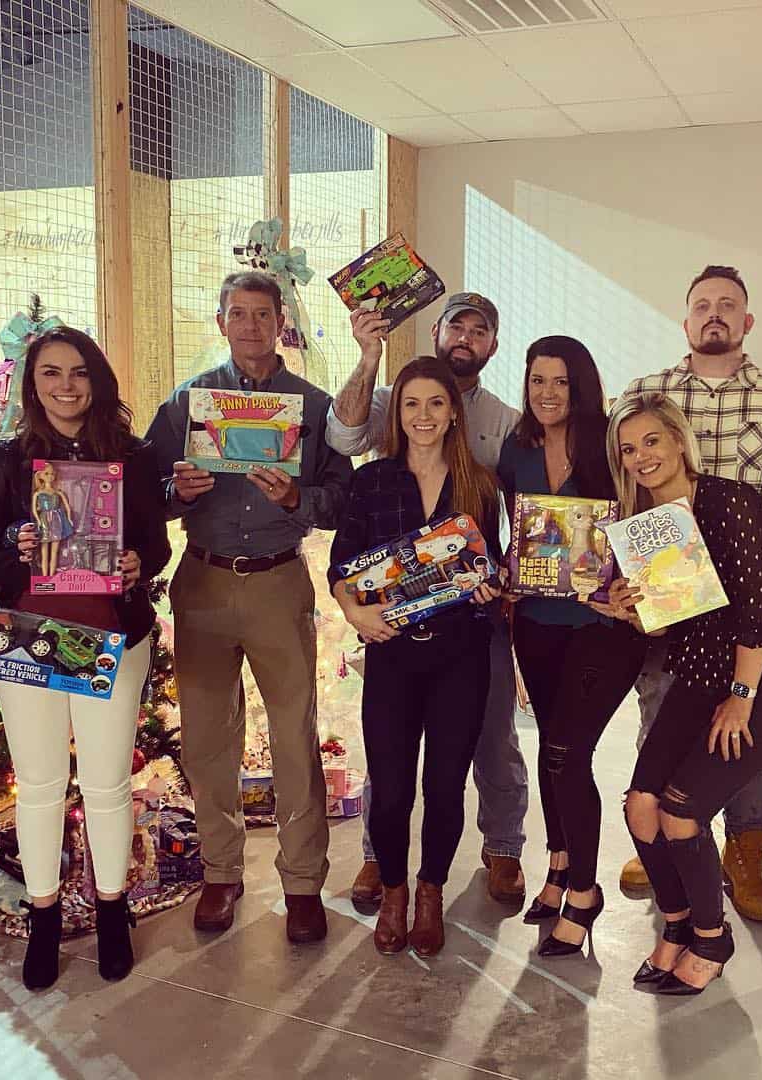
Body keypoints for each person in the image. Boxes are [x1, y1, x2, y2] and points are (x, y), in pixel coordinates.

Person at [618, 265, 762, 921]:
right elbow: (623, 497)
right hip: (673, 608)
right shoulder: (647, 394)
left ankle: (744, 852)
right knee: (661, 715)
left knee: (742, 736)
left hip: (750, 612)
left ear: (747, 321)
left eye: (728, 305)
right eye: (702, 305)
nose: (714, 314)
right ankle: (668, 832)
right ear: (685, 321)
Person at [145, 271, 352, 944]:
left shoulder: (314, 406)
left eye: (263, 314)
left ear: (282, 321)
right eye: (239, 313)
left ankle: (301, 884)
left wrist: (298, 502)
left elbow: (340, 497)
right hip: (201, 582)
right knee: (208, 740)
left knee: (294, 737)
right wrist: (179, 493)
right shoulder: (187, 402)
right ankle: (221, 873)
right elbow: (149, 491)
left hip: (276, 582)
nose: (252, 325)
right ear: (221, 320)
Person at [0, 326, 172, 990]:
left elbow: (154, 547)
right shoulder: (6, 459)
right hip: (31, 637)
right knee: (42, 784)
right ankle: (46, 919)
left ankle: (112, 911)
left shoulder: (134, 458)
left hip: (110, 637)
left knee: (109, 785)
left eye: (78, 372)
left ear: (97, 379)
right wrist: (16, 544)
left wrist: (141, 561)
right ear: (32, 383)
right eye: (50, 373)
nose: (65, 386)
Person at [594, 392, 762, 994]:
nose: (641, 457)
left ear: (678, 440)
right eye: (628, 449)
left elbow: (756, 614)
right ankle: (677, 922)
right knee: (641, 805)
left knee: (681, 813)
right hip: (697, 672)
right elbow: (671, 622)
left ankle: (714, 939)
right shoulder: (646, 525)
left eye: (651, 441)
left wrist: (740, 696)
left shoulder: (727, 502)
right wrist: (626, 611)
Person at [330, 292, 529, 907]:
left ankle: (437, 887)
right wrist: (354, 610)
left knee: (454, 777)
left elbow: (496, 559)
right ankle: (388, 882)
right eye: (412, 404)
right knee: (391, 783)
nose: (423, 414)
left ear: (453, 416)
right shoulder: (372, 478)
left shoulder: (483, 475)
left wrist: (497, 581)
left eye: (435, 404)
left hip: (462, 651)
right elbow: (345, 564)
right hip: (390, 649)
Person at [497, 336, 646, 955]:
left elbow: (646, 523)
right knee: (549, 753)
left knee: (567, 751)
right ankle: (558, 865)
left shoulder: (612, 447)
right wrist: (506, 572)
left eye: (561, 381)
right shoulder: (515, 450)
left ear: (581, 386)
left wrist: (631, 591)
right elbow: (519, 531)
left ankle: (584, 892)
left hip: (603, 628)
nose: (548, 393)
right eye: (537, 381)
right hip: (536, 619)